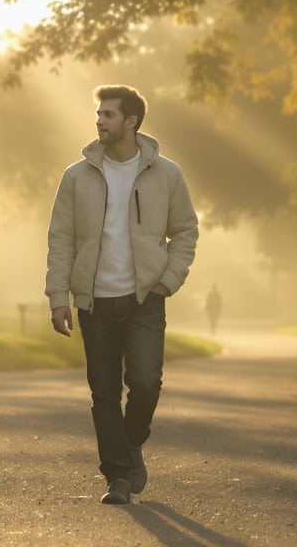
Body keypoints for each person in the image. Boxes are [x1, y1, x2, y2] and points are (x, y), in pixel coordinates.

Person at [46, 84, 199, 505]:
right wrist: (59, 295)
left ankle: (130, 445)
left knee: (147, 383)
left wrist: (170, 278)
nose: (100, 120)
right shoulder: (76, 176)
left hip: (145, 298)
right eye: (99, 113)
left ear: (131, 121)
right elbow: (60, 239)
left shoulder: (166, 174)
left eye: (109, 114)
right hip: (94, 302)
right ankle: (116, 475)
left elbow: (185, 230)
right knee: (104, 392)